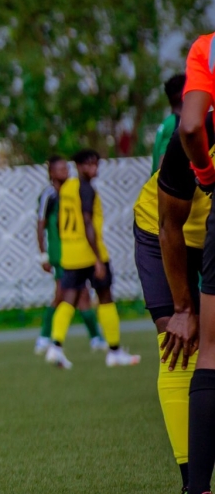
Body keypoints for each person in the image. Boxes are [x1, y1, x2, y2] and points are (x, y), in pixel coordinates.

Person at [136, 115, 211, 492]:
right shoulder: (195, 132)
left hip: (211, 233)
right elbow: (169, 227)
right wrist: (183, 310)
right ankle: (192, 485)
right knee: (179, 345)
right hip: (163, 231)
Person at [45, 150, 140, 369]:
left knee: (68, 298)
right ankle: (114, 350)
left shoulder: (65, 188)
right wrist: (97, 258)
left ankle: (55, 345)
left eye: (96, 164)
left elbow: (60, 221)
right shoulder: (86, 189)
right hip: (90, 252)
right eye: (88, 165)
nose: (93, 169)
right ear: (77, 166)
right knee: (105, 298)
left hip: (71, 253)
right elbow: (87, 223)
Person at [173, 34, 215, 494]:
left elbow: (190, 128)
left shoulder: (208, 48)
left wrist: (207, 177)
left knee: (211, 353)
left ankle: (197, 488)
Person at [34, 156, 105, 355]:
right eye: (61, 169)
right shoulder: (49, 195)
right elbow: (40, 224)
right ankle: (45, 337)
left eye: (67, 168)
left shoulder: (73, 190)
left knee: (82, 295)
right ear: (52, 173)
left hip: (75, 252)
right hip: (59, 253)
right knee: (62, 295)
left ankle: (95, 338)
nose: (65, 172)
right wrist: (43, 255)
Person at [153, 74, 186, 172]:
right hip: (163, 186)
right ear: (184, 94)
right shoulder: (176, 124)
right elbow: (163, 165)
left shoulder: (168, 122)